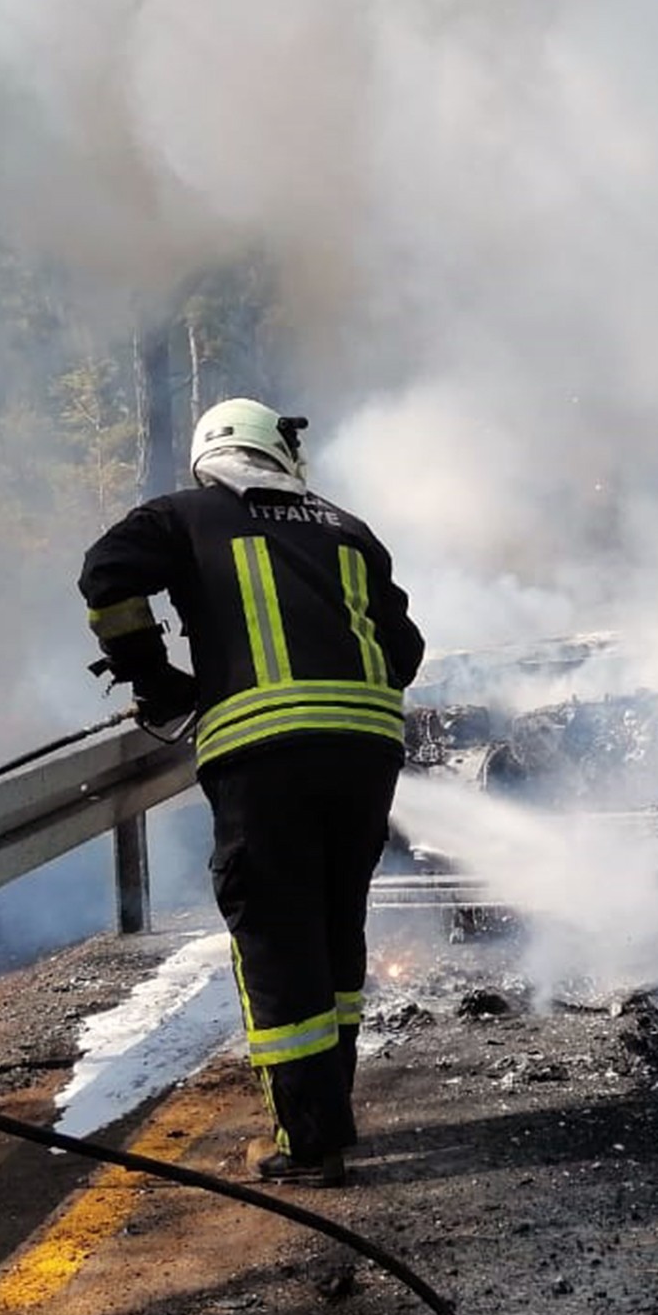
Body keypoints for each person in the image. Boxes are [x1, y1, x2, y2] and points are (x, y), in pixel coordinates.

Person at [79, 398, 423, 1186]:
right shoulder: (350, 529)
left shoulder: (181, 516)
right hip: (369, 750)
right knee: (337, 929)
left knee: (276, 939)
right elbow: (404, 649)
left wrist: (155, 677)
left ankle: (307, 1144)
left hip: (264, 754)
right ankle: (329, 1111)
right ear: (279, 453)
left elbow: (105, 577)